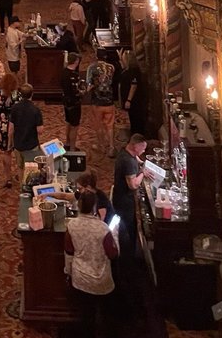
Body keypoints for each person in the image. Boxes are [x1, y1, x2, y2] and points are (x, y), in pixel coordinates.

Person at [64, 190, 119, 334]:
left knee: (85, 316)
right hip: (101, 280)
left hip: (80, 278)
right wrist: (115, 234)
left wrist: (69, 274)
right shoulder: (103, 228)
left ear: (79, 205)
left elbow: (69, 253)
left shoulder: (72, 225)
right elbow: (113, 254)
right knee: (103, 316)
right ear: (95, 207)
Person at [113, 133, 153, 259]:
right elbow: (133, 185)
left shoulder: (125, 152)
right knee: (128, 228)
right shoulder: (128, 162)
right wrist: (142, 173)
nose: (144, 150)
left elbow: (137, 159)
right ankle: (127, 257)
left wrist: (142, 163)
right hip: (124, 201)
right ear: (136, 147)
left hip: (119, 197)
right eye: (143, 148)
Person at [0, 70, 21, 186]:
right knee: (19, 152)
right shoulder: (17, 95)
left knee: (6, 152)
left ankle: (8, 177)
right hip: (17, 126)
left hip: (3, 126)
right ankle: (20, 173)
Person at [87, 54, 117, 158]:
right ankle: (112, 147)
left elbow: (89, 86)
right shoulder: (111, 67)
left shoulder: (92, 68)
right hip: (110, 101)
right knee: (110, 125)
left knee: (98, 125)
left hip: (97, 102)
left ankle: (102, 146)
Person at [9, 83, 44, 170]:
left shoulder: (14, 108)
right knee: (31, 169)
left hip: (18, 144)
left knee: (20, 168)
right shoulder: (36, 110)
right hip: (31, 145)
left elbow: (11, 128)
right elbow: (40, 130)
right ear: (32, 94)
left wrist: (11, 143)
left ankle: (21, 183)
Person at [119, 50, 148, 136]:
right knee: (132, 117)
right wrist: (120, 58)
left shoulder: (134, 71)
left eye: (124, 58)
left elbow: (134, 85)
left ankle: (137, 135)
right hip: (129, 99)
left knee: (136, 117)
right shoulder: (128, 69)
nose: (123, 60)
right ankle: (134, 134)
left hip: (134, 100)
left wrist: (129, 100)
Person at [61, 53, 83, 151]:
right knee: (75, 126)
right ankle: (72, 148)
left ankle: (67, 143)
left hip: (66, 101)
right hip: (74, 103)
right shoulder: (74, 75)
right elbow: (77, 92)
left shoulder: (63, 72)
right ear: (76, 61)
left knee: (68, 122)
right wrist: (86, 90)